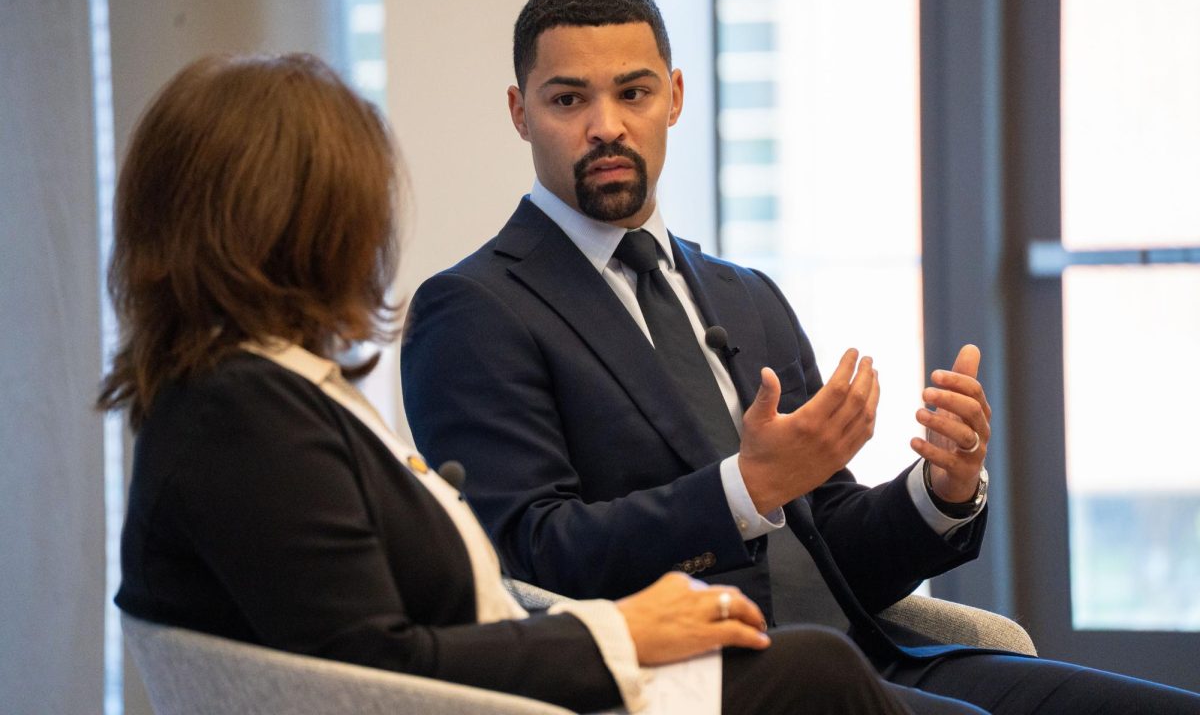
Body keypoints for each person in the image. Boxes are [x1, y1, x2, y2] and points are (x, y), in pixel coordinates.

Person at [400, 0, 1200, 713]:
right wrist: (743, 488)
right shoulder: (473, 309)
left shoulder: (745, 296)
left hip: (873, 656)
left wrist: (941, 490)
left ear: (673, 97)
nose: (606, 126)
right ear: (519, 111)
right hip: (713, 683)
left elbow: (836, 546)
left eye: (633, 92)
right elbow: (533, 558)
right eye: (568, 100)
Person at [101, 52, 931, 713]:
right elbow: (377, 664)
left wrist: (939, 493)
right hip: (531, 692)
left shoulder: (261, 394)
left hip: (545, 674)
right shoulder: (244, 416)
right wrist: (624, 631)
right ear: (302, 224)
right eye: (358, 204)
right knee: (817, 673)